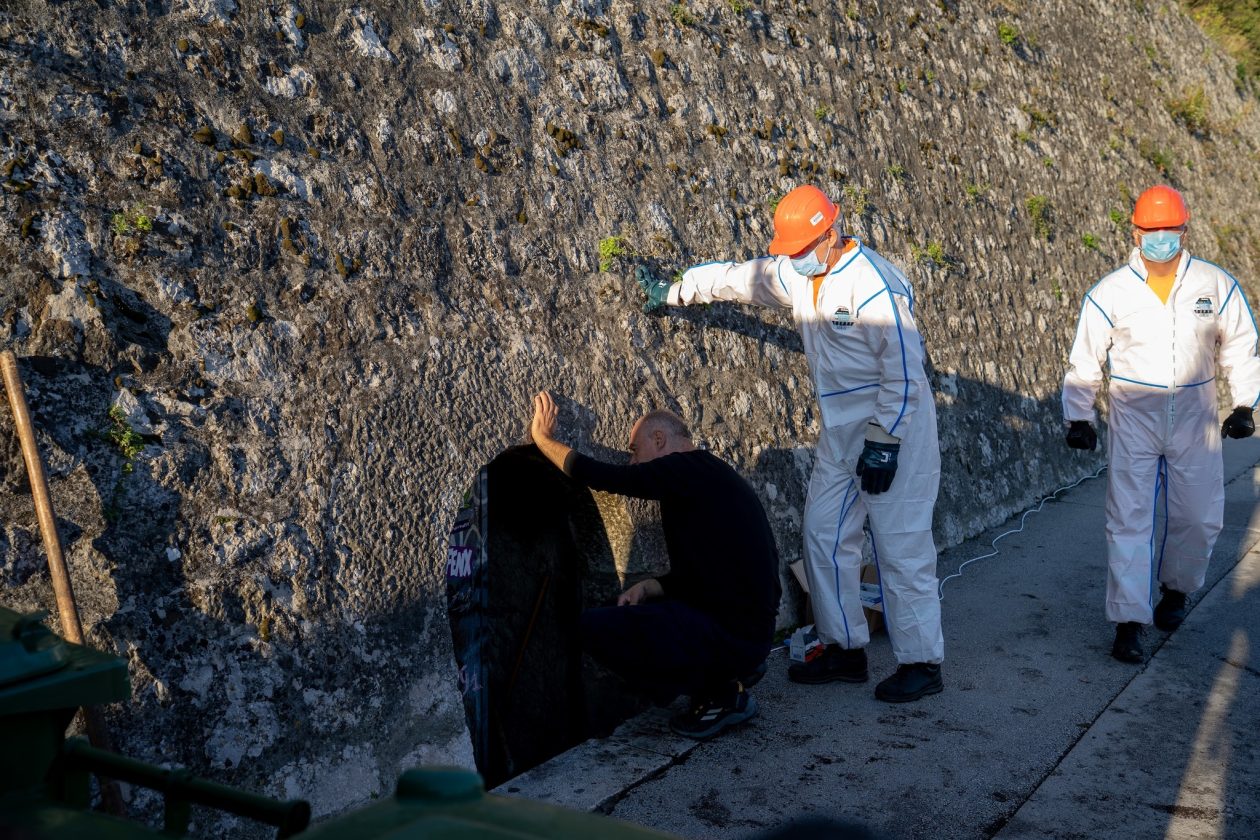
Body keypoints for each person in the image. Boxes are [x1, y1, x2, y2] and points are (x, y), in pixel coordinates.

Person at [635, 184, 944, 702]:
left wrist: (885, 442)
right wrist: (674, 290)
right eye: (789, 251)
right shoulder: (802, 276)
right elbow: (740, 279)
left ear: (830, 233)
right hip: (841, 433)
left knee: (900, 547)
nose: (792, 259)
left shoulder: (876, 286)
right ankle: (845, 648)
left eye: (800, 250)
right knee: (823, 535)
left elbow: (908, 374)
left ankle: (922, 663)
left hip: (897, 433)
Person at [1062, 184, 1260, 662]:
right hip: (1134, 414)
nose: (1159, 238)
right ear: (1135, 232)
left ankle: (1176, 589)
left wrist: (1244, 406)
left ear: (1184, 229)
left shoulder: (1214, 285)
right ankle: (1129, 622)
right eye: (1150, 230)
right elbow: (1085, 358)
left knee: (1198, 514)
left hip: (1195, 415)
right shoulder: (1110, 292)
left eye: (1168, 229)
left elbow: (1241, 344)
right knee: (1128, 520)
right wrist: (1079, 415)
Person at [528, 391, 781, 739]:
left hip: (737, 638)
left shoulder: (686, 467)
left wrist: (544, 440)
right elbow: (707, 576)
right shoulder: (707, 477)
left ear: (659, 439)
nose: (632, 462)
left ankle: (721, 694)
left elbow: (606, 477)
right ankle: (728, 675)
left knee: (591, 628)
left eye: (634, 450)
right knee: (650, 607)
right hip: (749, 635)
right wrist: (650, 585)